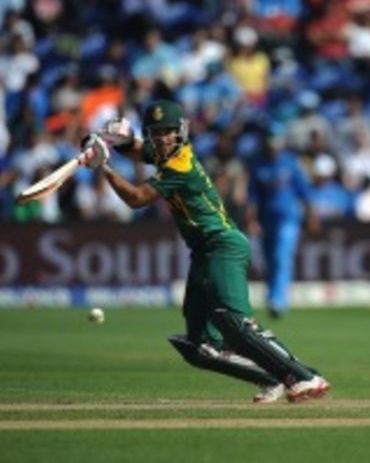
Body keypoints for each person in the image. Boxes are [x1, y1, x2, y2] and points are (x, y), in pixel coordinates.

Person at [77, 100, 330, 403]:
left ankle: (303, 377)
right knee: (201, 348)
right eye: (156, 132)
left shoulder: (180, 165)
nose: (162, 138)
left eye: (168, 132)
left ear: (181, 131)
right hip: (203, 252)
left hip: (223, 244)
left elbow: (137, 198)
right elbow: (138, 150)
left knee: (235, 324)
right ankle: (270, 378)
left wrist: (103, 166)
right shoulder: (166, 154)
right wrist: (112, 142)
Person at [245, 125, 319, 318]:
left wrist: (311, 216)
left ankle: (278, 300)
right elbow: (253, 197)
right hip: (266, 220)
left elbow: (305, 192)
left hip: (288, 218)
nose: (272, 146)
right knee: (270, 260)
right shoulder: (258, 164)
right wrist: (251, 220)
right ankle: (272, 297)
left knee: (281, 257)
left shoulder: (290, 163)